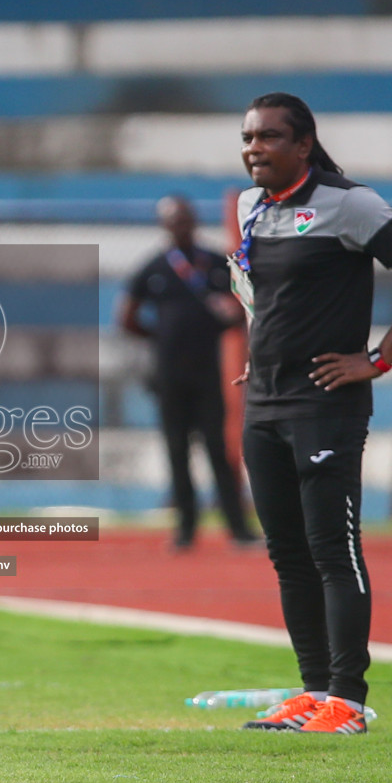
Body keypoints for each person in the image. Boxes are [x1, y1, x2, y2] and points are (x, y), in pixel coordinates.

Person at [231, 92, 392, 735]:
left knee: (332, 549)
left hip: (325, 406)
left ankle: (348, 701)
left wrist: (377, 360)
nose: (254, 149)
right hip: (264, 401)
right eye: (247, 138)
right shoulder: (249, 208)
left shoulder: (350, 204)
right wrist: (258, 354)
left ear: (303, 144)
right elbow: (265, 296)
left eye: (269, 137)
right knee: (288, 555)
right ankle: (313, 689)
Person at [118, 195, 259, 550]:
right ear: (164, 226)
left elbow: (244, 305)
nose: (180, 227)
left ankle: (237, 528)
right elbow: (127, 316)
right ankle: (186, 529)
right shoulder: (154, 268)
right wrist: (159, 336)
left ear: (194, 222)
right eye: (173, 221)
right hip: (169, 376)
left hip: (208, 373)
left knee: (218, 450)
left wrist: (230, 316)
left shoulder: (212, 262)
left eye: (185, 220)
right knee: (177, 451)